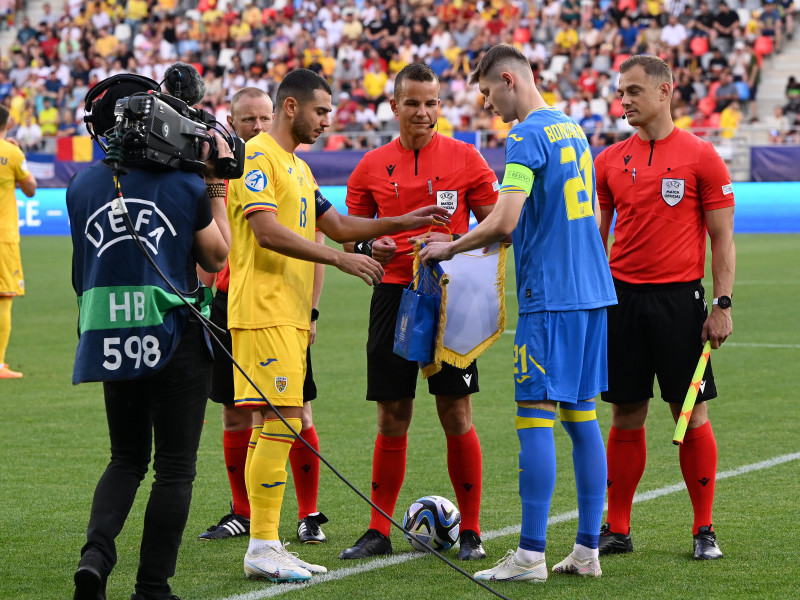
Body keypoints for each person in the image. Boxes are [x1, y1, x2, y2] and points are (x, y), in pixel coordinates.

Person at [226, 68, 449, 584]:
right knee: (282, 422)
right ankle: (262, 543)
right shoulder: (258, 155)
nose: (329, 121)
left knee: (276, 424)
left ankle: (267, 540)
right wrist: (339, 260)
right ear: (291, 108)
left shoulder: (298, 169)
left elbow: (342, 226)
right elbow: (265, 231)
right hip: (263, 308)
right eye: (321, 111)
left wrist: (406, 220)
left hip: (290, 313)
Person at [421, 44, 616, 583]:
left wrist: (451, 246)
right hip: (592, 293)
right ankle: (586, 550)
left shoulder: (527, 135)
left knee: (535, 415)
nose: (488, 105)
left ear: (510, 79)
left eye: (488, 92)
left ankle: (530, 555)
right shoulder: (571, 128)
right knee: (581, 419)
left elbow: (505, 220)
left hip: (549, 298)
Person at [69, 75, 232, 600]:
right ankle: (152, 587)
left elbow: (81, 274)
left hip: (111, 336)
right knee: (175, 470)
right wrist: (214, 182)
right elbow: (217, 256)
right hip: (175, 337)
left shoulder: (81, 186)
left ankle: (95, 556)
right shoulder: (185, 184)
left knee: (125, 459)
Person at [338, 63, 499, 563]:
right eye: (413, 103)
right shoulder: (369, 165)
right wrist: (374, 242)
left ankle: (470, 531)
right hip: (391, 295)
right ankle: (377, 530)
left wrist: (454, 242)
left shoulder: (466, 157)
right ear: (394, 106)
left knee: (455, 411)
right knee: (392, 415)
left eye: (431, 103)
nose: (423, 113)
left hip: (450, 296)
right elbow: (352, 231)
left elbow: (500, 222)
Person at [594, 55, 735, 561]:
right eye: (620, 91)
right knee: (625, 414)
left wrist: (721, 305)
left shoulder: (701, 156)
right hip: (622, 301)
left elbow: (722, 240)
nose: (624, 99)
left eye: (633, 90)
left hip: (681, 303)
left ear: (664, 91)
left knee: (690, 413)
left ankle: (704, 530)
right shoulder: (608, 159)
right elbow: (596, 236)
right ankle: (618, 528)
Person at [197, 88, 330, 545]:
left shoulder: (284, 165)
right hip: (229, 304)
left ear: (277, 114)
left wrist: (311, 310)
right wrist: (201, 298)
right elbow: (206, 243)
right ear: (232, 123)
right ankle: (245, 514)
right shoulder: (221, 174)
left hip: (280, 307)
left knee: (295, 411)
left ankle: (308, 513)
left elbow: (316, 240)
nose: (256, 126)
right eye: (247, 120)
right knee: (236, 414)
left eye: (262, 117)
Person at [0, 105, 37, 379]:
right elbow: (30, 188)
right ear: (9, 123)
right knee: (4, 298)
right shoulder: (11, 153)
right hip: (3, 237)